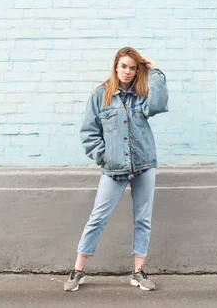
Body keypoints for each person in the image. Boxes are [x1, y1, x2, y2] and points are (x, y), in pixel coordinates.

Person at [64, 47, 169, 292]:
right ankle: (78, 270)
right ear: (115, 66)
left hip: (144, 164)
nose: (128, 72)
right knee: (98, 218)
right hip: (114, 169)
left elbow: (159, 105)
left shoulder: (141, 95)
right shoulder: (100, 96)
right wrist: (105, 156)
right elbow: (89, 134)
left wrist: (156, 74)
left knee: (143, 219)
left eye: (133, 68)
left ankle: (138, 272)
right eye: (124, 66)